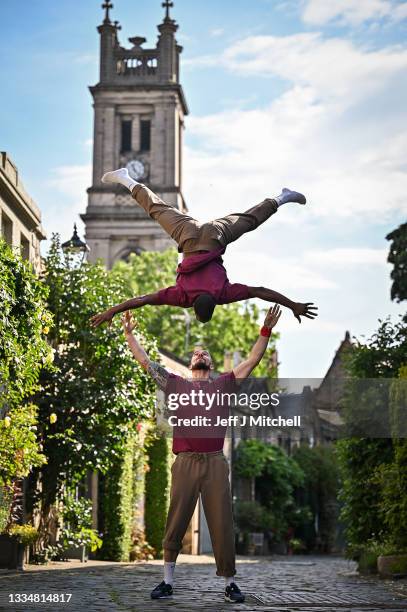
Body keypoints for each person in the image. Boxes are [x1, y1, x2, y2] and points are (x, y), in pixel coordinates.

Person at [121, 304, 282, 603]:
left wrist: (265, 330)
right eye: (197, 352)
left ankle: (230, 583)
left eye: (204, 352)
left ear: (208, 365)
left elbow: (252, 360)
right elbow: (145, 361)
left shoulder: (223, 385)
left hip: (215, 463)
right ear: (194, 363)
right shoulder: (175, 384)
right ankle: (167, 582)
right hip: (185, 461)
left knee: (222, 521)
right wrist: (130, 335)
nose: (200, 352)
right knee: (176, 518)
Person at [90, 168, 317, 327]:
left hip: (214, 235)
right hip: (187, 235)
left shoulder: (222, 294)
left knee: (248, 220)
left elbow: (260, 291)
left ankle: (282, 197)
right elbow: (142, 299)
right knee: (157, 209)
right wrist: (111, 311)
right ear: (193, 308)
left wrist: (292, 304)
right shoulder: (182, 297)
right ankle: (126, 179)